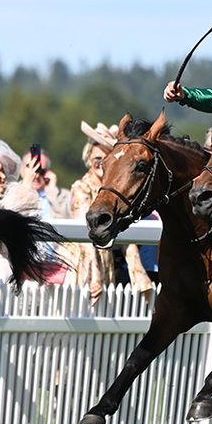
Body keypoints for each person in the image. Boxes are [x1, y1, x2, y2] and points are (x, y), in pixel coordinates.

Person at [66, 122, 153, 303]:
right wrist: (95, 276)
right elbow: (85, 239)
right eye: (96, 158)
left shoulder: (111, 194)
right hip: (84, 262)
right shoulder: (81, 188)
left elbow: (126, 240)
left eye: (105, 159)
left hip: (105, 260)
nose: (99, 164)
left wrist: (140, 277)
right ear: (88, 158)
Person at [20, 147, 70, 219]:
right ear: (22, 170)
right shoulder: (10, 193)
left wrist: (52, 191)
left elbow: (65, 222)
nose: (36, 175)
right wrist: (25, 186)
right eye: (32, 170)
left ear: (48, 172)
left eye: (41, 171)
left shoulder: (64, 196)